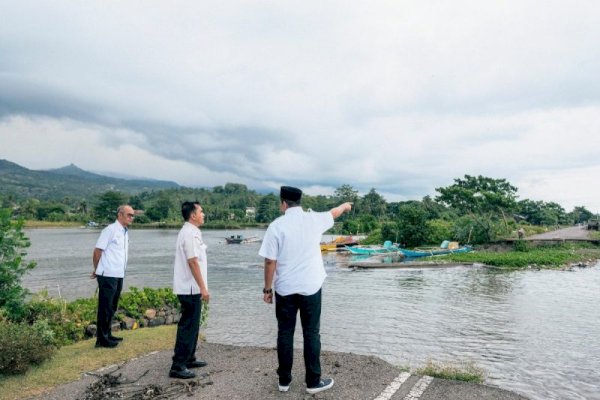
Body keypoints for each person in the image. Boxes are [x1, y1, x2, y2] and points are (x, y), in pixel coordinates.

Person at [259, 186, 352, 394]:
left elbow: (269, 262)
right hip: (311, 287)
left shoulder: (276, 226)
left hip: (285, 289)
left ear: (283, 203)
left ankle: (284, 381)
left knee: (285, 333)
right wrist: (345, 206)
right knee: (311, 333)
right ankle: (312, 382)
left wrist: (267, 289)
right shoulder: (314, 219)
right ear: (300, 201)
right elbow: (334, 212)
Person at [169, 201, 210, 379]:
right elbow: (193, 261)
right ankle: (178, 365)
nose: (203, 214)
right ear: (193, 215)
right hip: (190, 287)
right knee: (188, 326)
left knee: (193, 325)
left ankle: (189, 357)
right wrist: (203, 287)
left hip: (192, 287)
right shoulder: (189, 234)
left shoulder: (193, 232)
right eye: (201, 212)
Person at [92, 204, 135, 348]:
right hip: (108, 274)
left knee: (112, 306)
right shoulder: (109, 230)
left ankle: (107, 334)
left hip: (118, 274)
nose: (131, 218)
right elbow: (97, 251)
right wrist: (97, 269)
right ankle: (102, 340)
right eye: (129, 215)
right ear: (120, 215)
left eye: (132, 215)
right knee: (105, 306)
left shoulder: (124, 231)